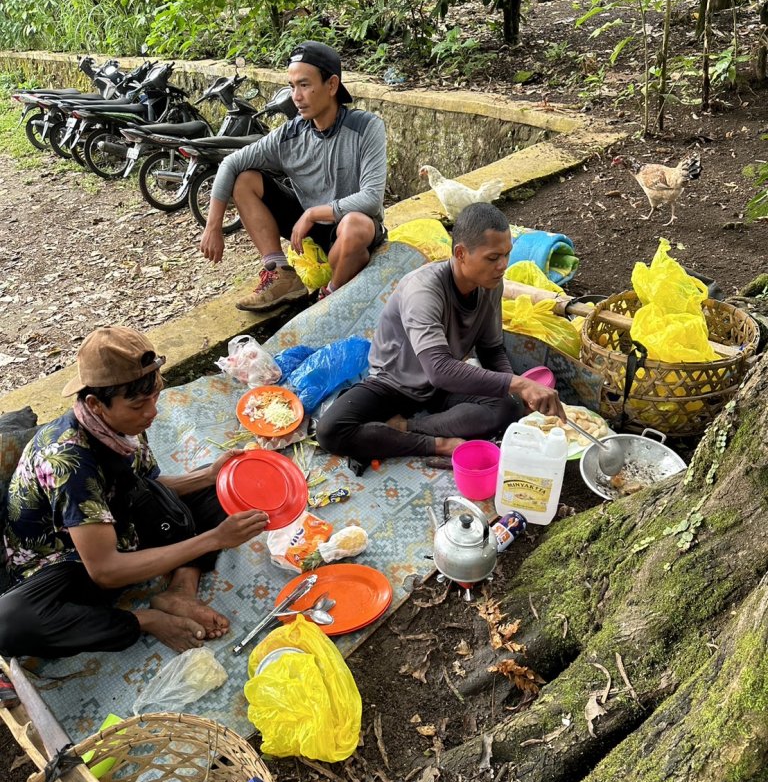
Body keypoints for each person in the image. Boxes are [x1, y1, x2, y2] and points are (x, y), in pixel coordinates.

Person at [0, 327, 267, 659]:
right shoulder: (67, 461)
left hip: (117, 523)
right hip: (67, 562)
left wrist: (211, 476)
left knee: (229, 486)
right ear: (96, 404)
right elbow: (106, 571)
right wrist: (214, 539)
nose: (153, 412)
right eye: (139, 404)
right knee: (10, 624)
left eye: (155, 397)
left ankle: (180, 591)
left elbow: (148, 487)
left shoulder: (123, 427)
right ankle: (145, 618)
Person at [316, 203, 566, 463]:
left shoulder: (490, 284)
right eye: (493, 258)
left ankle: (404, 427)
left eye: (507, 255)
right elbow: (438, 367)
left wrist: (515, 391)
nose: (503, 266)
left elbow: (490, 349)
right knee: (330, 431)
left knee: (508, 408)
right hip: (395, 383)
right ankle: (437, 443)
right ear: (461, 253)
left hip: (443, 385)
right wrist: (519, 383)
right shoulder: (423, 291)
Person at [200, 41, 388, 311]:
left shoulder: (366, 127)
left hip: (350, 234)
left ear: (332, 85)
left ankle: (329, 295)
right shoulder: (290, 134)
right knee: (245, 180)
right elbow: (230, 163)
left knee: (354, 225)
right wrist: (213, 226)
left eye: (304, 85)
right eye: (291, 86)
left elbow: (371, 199)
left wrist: (312, 214)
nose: (295, 96)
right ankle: (282, 275)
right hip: (309, 235)